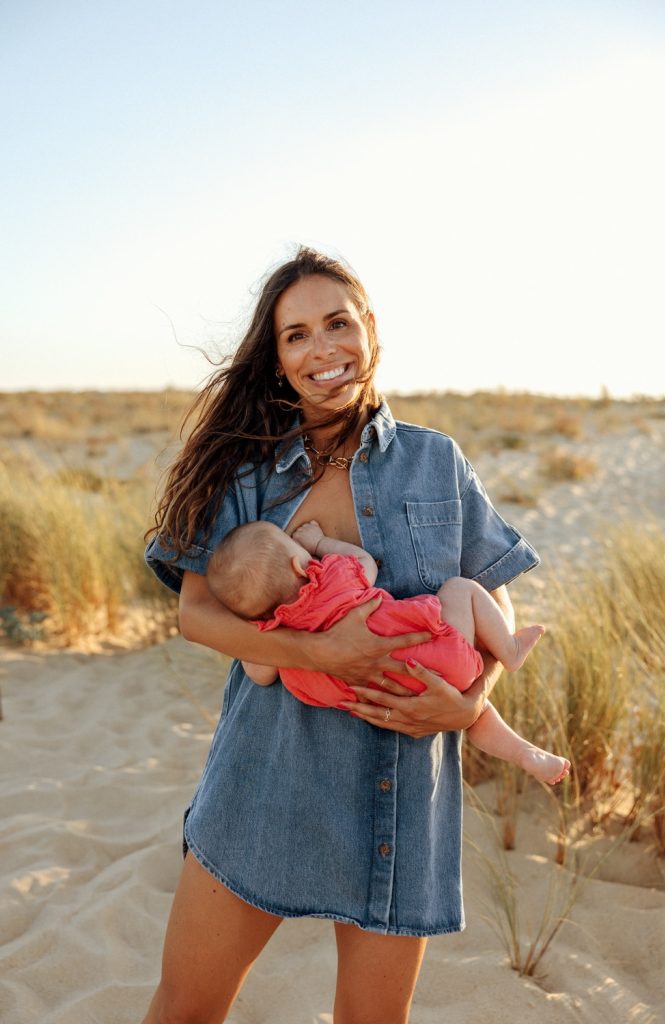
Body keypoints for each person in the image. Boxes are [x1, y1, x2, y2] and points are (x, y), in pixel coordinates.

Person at [143, 247, 548, 1024]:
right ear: (278, 357)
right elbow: (196, 614)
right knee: (186, 1006)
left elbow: (486, 601)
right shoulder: (247, 470)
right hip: (269, 777)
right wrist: (318, 653)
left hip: (398, 792)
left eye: (337, 323)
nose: (322, 349)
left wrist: (468, 706)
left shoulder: (436, 461)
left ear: (369, 329)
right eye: (296, 336)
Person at [206, 518, 570, 786]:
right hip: (434, 655)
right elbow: (364, 562)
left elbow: (259, 673)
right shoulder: (330, 577)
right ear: (299, 565)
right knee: (459, 589)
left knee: (475, 714)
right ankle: (509, 650)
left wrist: (260, 631)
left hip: (383, 696)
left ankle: (525, 754)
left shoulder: (274, 636)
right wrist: (319, 542)